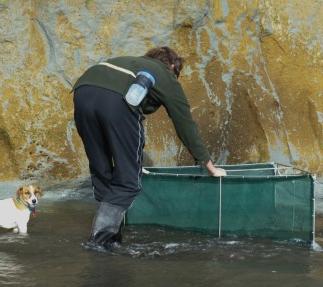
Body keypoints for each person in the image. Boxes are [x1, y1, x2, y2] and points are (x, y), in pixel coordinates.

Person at [72, 46, 226, 252]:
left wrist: (132, 160)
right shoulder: (165, 73)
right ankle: (98, 243)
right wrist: (210, 167)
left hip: (82, 92)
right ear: (171, 65)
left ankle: (111, 242)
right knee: (128, 182)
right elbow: (185, 123)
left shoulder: (125, 60)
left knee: (102, 172)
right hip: (116, 101)